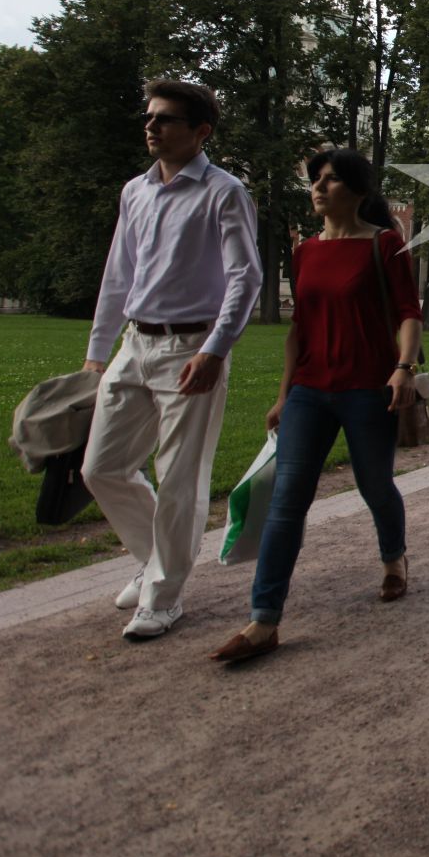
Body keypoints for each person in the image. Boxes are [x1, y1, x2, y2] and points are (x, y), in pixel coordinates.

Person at [211, 148, 422, 664]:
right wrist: (284, 395)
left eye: (329, 180)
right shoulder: (304, 252)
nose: (318, 188)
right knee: (286, 502)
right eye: (315, 180)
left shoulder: (386, 245)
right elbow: (298, 330)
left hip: (366, 389)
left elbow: (408, 315)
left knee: (375, 485)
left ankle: (394, 559)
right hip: (310, 389)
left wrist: (403, 368)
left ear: (356, 190)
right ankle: (264, 620)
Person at [82, 81, 261, 642]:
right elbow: (118, 274)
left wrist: (215, 350)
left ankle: (163, 597)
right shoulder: (135, 191)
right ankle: (155, 557)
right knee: (101, 468)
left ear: (200, 131)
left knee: (179, 475)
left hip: (192, 347)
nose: (152, 127)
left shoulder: (224, 192)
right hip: (136, 343)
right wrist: (96, 353)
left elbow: (245, 277)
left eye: (166, 120)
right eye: (150, 118)